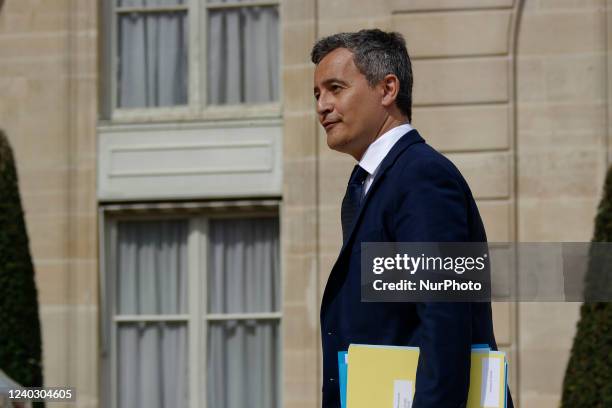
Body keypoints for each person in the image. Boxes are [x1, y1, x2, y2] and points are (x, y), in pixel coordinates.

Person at [312, 29, 514, 408]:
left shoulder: (421, 176)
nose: (322, 105)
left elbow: (443, 318)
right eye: (317, 94)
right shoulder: (373, 182)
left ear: (387, 89)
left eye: (335, 88)